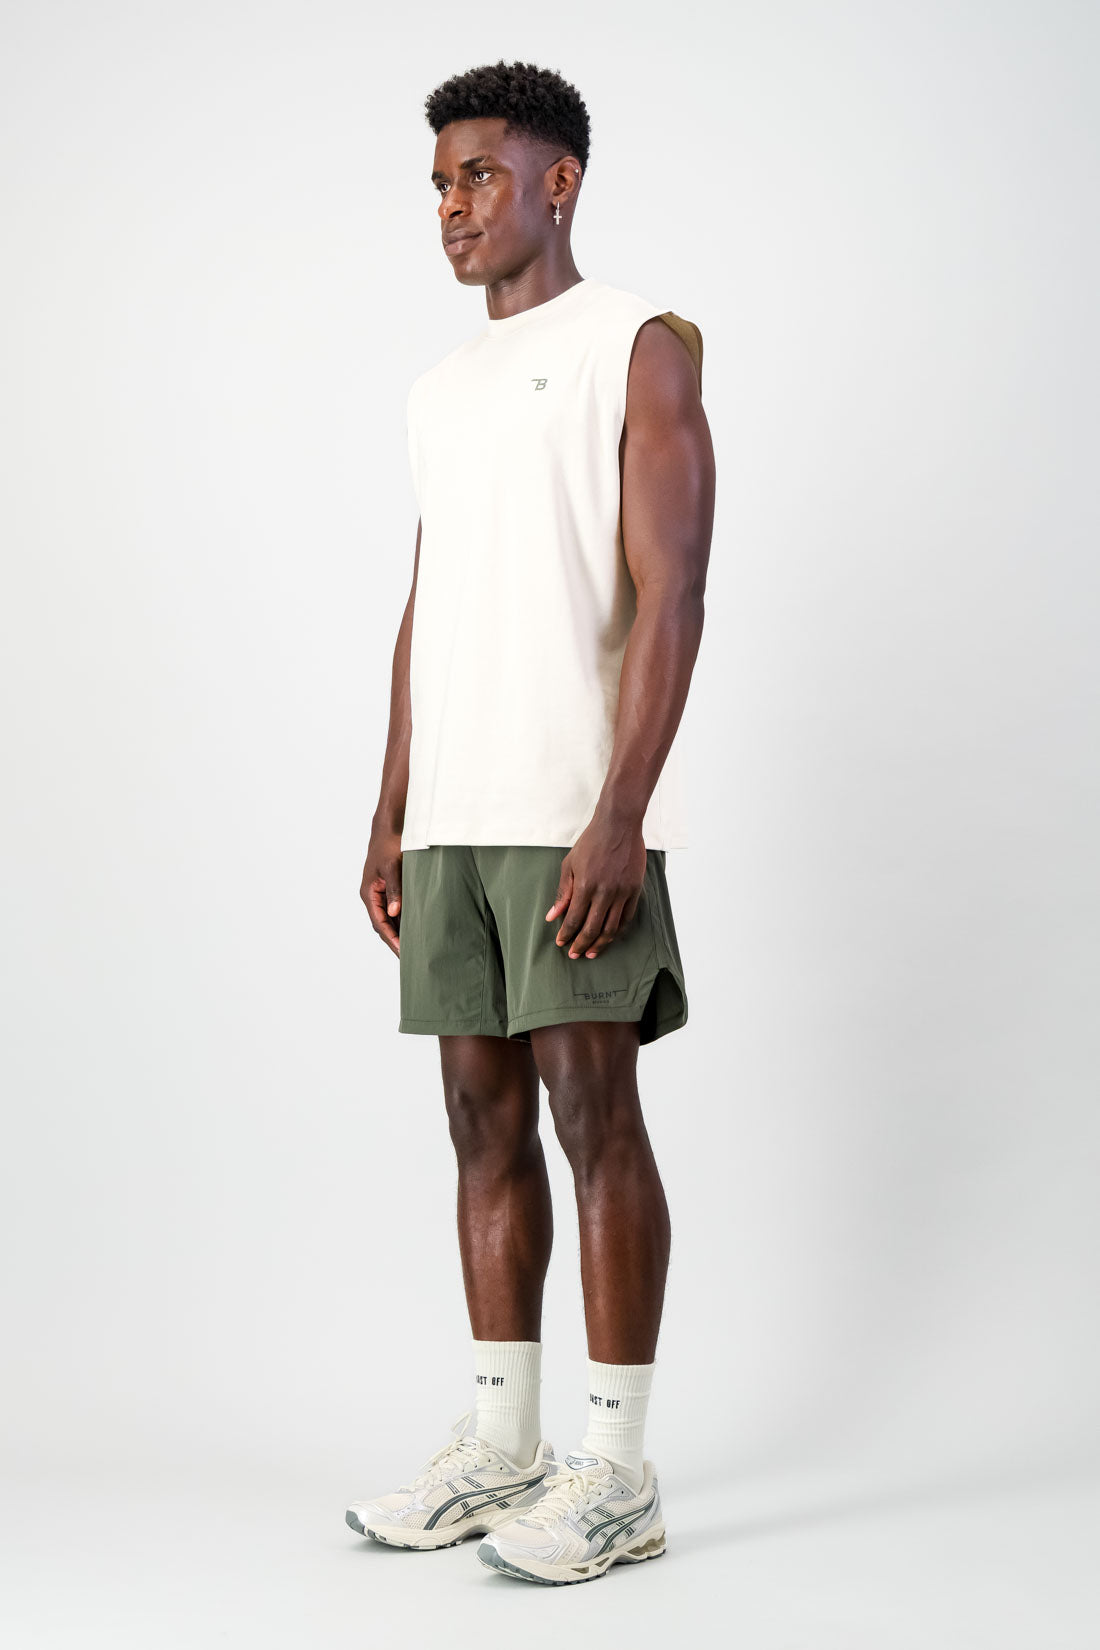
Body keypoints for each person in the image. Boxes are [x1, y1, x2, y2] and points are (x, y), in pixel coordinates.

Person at [346, 59, 715, 1586]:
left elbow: (674, 591)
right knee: (477, 1120)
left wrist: (621, 812)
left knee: (591, 1113)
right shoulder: (440, 388)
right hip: (455, 816)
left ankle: (615, 1473)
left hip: (573, 810)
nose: (452, 206)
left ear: (558, 182)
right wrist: (390, 807)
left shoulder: (639, 344)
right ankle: (504, 1447)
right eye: (440, 182)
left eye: (479, 175)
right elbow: (429, 599)